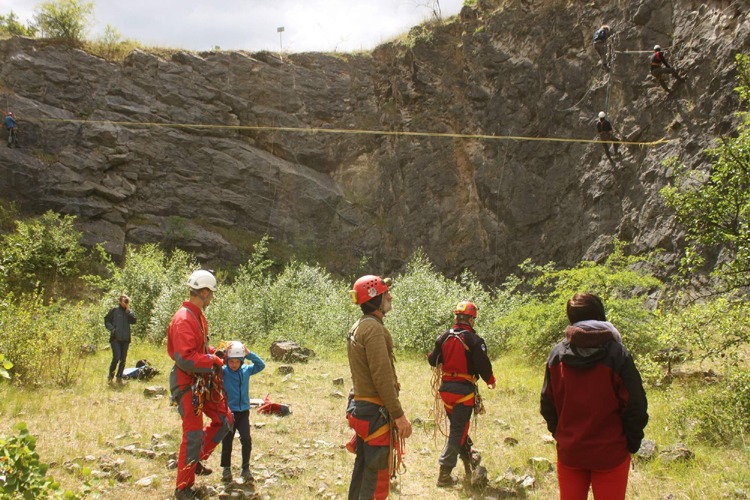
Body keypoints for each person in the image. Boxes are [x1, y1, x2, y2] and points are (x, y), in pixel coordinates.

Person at [540, 293, 648, 500]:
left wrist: (562, 436)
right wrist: (631, 443)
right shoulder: (618, 355)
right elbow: (636, 405)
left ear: (571, 318)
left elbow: (547, 404)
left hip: (571, 452)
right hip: (611, 454)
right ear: (601, 316)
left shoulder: (557, 355)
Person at [167, 269, 233, 500]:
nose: (212, 298)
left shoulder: (197, 316)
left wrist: (214, 352)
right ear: (203, 292)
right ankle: (182, 487)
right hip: (187, 384)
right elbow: (184, 357)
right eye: (211, 294)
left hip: (200, 382)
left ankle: (195, 461)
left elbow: (196, 351)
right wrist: (211, 360)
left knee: (225, 419)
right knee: (193, 433)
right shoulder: (184, 319)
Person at [346, 275, 412, 499]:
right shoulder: (373, 330)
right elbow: (382, 378)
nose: (390, 296)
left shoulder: (359, 326)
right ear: (375, 299)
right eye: (386, 294)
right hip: (375, 414)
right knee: (377, 477)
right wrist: (399, 415)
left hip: (363, 409)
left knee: (364, 468)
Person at [427, 301, 496, 487]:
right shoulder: (474, 340)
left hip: (446, 390)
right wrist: (490, 380)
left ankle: (471, 463)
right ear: (471, 319)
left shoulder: (443, 337)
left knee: (459, 428)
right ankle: (444, 473)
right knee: (458, 431)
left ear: (457, 318)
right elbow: (483, 366)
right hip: (463, 392)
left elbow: (433, 361)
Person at [220, 340, 266, 484]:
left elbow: (261, 365)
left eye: (236, 362)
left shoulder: (246, 370)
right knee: (227, 441)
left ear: (241, 361)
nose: (233, 364)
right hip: (229, 412)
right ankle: (226, 468)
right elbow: (213, 366)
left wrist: (249, 353)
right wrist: (223, 354)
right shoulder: (224, 371)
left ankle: (245, 468)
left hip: (243, 412)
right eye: (231, 361)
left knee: (246, 439)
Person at [104, 294, 137, 385]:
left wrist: (128, 311)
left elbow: (134, 321)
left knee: (123, 359)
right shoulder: (114, 311)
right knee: (116, 357)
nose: (126, 303)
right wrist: (112, 329)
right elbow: (106, 320)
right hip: (115, 338)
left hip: (125, 339)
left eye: (127, 301)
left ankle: (119, 377)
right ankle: (110, 376)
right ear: (120, 301)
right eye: (124, 301)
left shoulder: (129, 312)